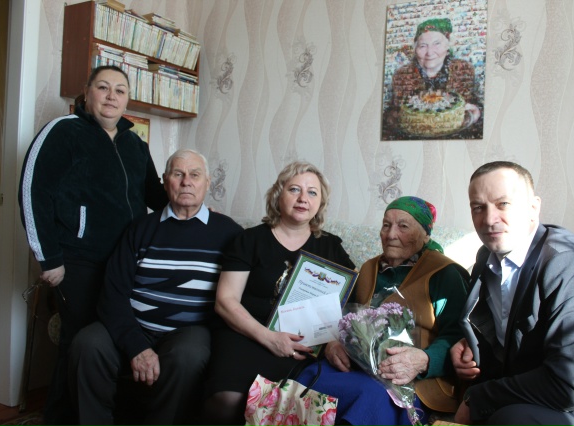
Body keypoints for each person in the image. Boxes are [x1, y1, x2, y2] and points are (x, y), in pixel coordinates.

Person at [18, 65, 168, 425]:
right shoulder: (63, 131)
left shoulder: (135, 144)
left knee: (114, 338)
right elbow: (32, 192)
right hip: (78, 262)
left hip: (127, 262)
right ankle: (60, 417)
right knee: (81, 341)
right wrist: (49, 258)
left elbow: (155, 196)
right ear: (87, 93)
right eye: (103, 87)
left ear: (127, 100)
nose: (111, 96)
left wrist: (194, 212)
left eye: (120, 90)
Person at [451, 161, 574, 426]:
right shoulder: (486, 258)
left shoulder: (571, 264)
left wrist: (478, 398)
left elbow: (570, 386)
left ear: (533, 208)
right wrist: (471, 344)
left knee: (509, 420)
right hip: (541, 396)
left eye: (503, 204)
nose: (490, 219)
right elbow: (514, 335)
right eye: (478, 208)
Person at [67, 148, 243, 425]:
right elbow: (113, 293)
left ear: (207, 183)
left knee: (189, 354)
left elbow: (243, 288)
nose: (186, 182)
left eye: (195, 175)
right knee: (87, 343)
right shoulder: (140, 228)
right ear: (165, 181)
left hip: (189, 331)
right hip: (135, 325)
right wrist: (137, 346)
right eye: (178, 174)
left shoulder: (229, 233)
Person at [201, 161, 355, 425]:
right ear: (278, 195)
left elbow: (347, 304)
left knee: (308, 399)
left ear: (320, 203)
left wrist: (331, 341)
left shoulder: (331, 247)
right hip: (247, 334)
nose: (303, 198)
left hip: (302, 344)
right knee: (227, 401)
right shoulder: (249, 240)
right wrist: (269, 338)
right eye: (294, 189)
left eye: (312, 192)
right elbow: (225, 302)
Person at [295, 196, 470, 426]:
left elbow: (458, 335)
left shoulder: (445, 273)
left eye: (403, 226)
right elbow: (344, 317)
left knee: (371, 398)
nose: (391, 234)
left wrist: (424, 360)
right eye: (386, 225)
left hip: (412, 378)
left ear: (426, 235)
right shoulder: (369, 268)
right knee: (310, 377)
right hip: (357, 366)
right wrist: (333, 342)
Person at [383, 17, 481, 136]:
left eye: (437, 44)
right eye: (423, 46)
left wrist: (475, 113)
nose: (430, 52)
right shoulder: (402, 75)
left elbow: (478, 107)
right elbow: (390, 115)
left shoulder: (464, 70)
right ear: (415, 49)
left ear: (447, 46)